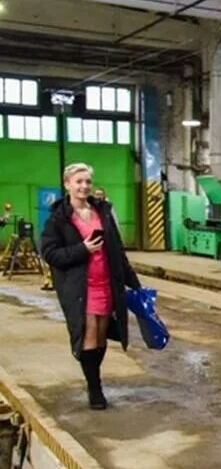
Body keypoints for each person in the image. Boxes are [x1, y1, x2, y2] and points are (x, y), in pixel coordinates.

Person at [41, 163, 141, 409]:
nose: (84, 186)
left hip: (106, 283)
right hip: (80, 288)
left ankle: (94, 378)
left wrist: (133, 283)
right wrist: (82, 249)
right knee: (88, 333)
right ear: (67, 184)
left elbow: (117, 249)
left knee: (102, 335)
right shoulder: (59, 218)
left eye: (87, 181)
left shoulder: (102, 212)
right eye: (78, 182)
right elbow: (50, 253)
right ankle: (95, 388)